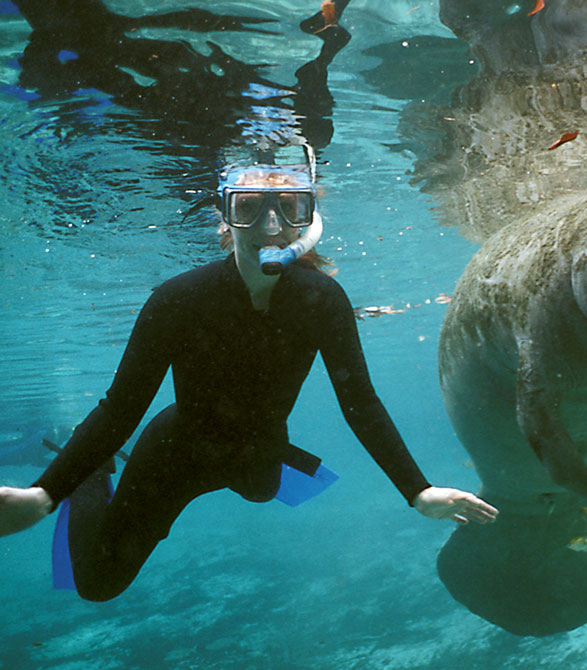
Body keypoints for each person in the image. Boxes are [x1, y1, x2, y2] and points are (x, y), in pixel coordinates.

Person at [0, 145, 498, 601]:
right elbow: (122, 407)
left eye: (290, 209)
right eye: (248, 208)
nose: (271, 226)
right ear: (225, 217)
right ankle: (91, 475)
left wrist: (417, 490)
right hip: (178, 452)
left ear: (306, 220)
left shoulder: (320, 300)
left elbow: (360, 403)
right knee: (97, 585)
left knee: (261, 489)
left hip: (258, 452)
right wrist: (46, 494)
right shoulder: (177, 300)